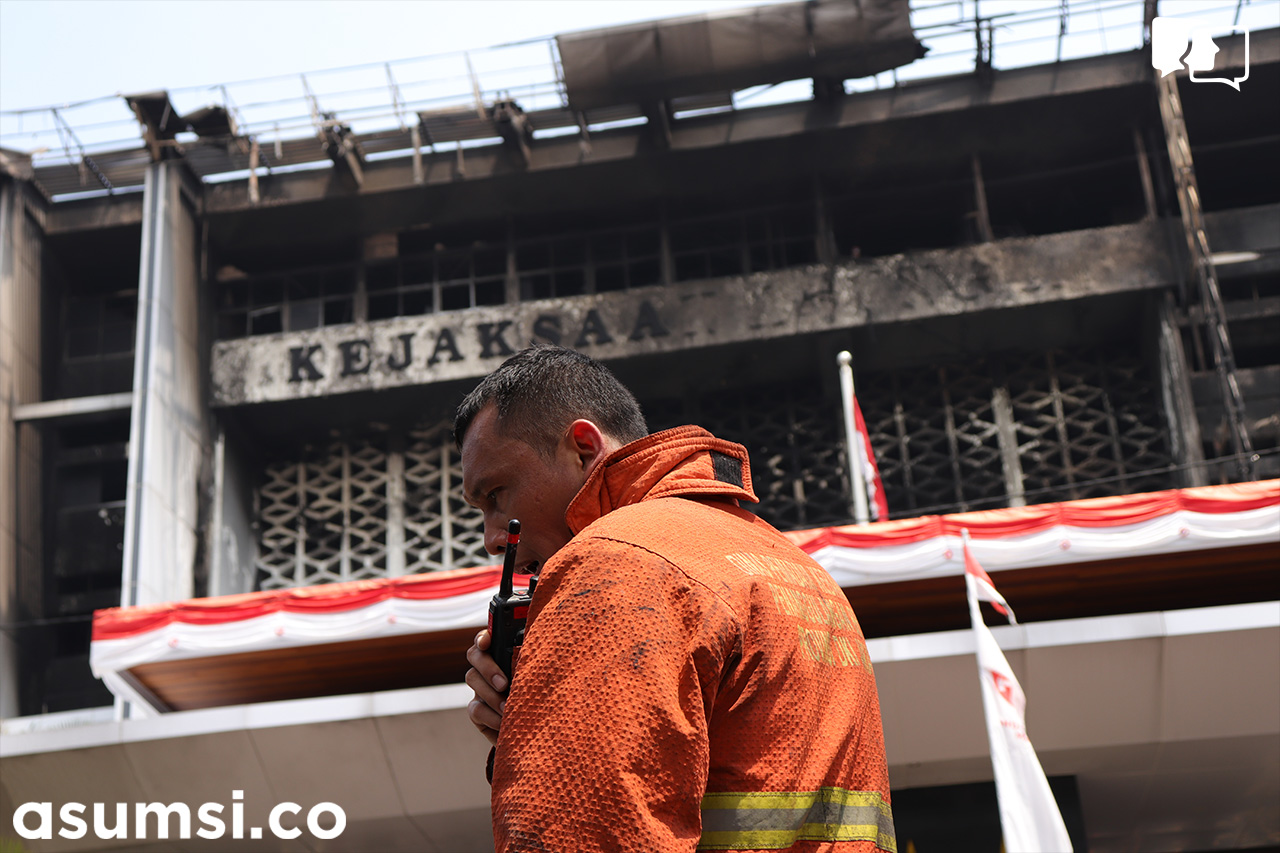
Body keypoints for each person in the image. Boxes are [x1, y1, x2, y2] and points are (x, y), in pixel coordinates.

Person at [457, 344, 895, 853]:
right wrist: (539, 726)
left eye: (495, 495)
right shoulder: (796, 566)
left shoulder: (614, 562)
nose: (491, 537)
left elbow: (581, 834)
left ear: (583, 447)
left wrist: (551, 749)